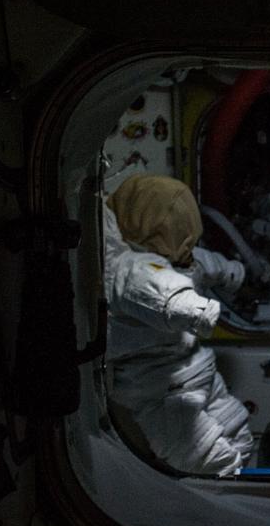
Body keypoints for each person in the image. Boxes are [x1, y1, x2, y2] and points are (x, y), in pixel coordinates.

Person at [103, 174, 254, 476]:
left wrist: (235, 273)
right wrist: (200, 310)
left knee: (236, 429)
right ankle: (231, 498)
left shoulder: (182, 257)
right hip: (158, 389)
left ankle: (239, 479)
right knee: (204, 457)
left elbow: (209, 266)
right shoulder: (133, 269)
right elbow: (166, 294)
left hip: (190, 371)